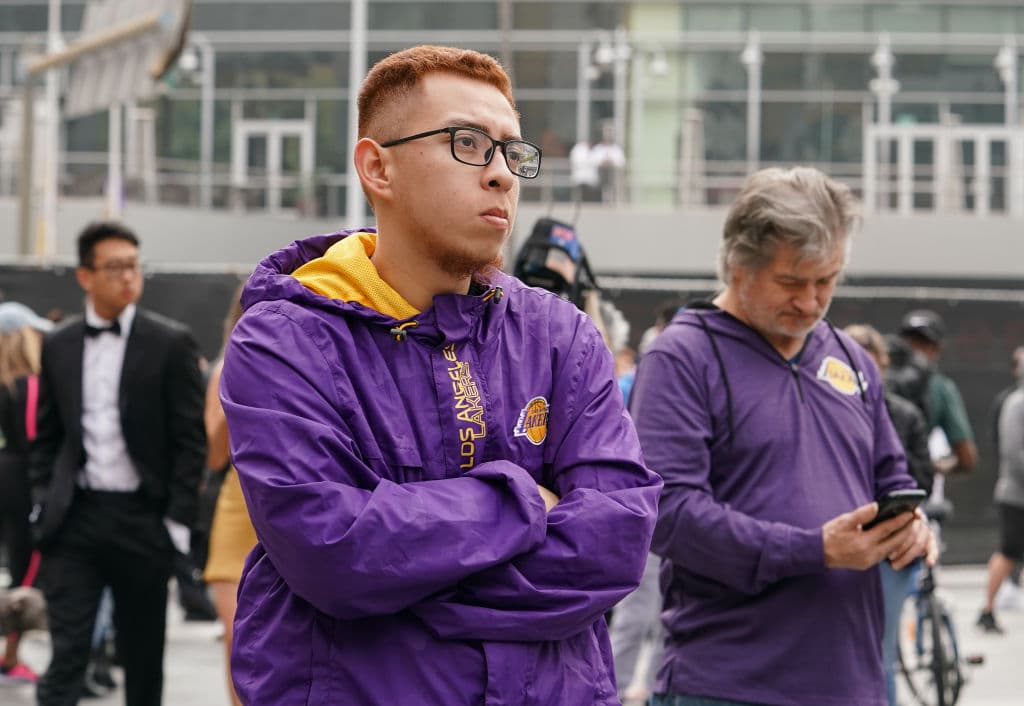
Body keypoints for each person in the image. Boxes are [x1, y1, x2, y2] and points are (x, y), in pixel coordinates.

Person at [219, 45, 661, 706]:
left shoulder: (561, 335)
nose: (502, 176)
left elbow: (615, 542)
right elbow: (331, 551)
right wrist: (519, 500)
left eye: (512, 152)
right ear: (378, 168)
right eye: (467, 143)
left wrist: (408, 598)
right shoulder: (284, 340)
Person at [630, 167, 935, 706]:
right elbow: (670, 515)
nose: (813, 302)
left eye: (829, 280)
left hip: (852, 683)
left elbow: (894, 476)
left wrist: (912, 526)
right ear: (737, 266)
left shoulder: (851, 358)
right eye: (793, 282)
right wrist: (814, 550)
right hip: (729, 686)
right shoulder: (682, 357)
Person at [29, 221, 206, 706]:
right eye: (115, 267)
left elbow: (191, 442)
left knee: (143, 662)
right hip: (76, 520)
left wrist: (175, 521)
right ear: (85, 276)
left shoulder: (171, 342)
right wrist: (44, 502)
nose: (128, 277)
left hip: (143, 522)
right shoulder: (59, 343)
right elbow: (47, 436)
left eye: (134, 265)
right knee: (67, 654)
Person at [845, 323, 935, 706]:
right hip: (836, 543)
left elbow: (918, 477)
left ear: (881, 364)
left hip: (888, 544)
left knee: (879, 655)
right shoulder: (821, 410)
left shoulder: (902, 414)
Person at [201, 283, 254, 706]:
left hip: (293, 497)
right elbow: (215, 457)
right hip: (238, 504)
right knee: (237, 635)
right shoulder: (223, 368)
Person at [0, 302, 52, 684]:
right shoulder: (27, 386)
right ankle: (9, 657)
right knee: (24, 570)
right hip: (20, 488)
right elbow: (36, 441)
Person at [898, 309, 978, 477]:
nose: (915, 350)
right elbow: (966, 458)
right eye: (910, 342)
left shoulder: (940, 388)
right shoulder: (876, 377)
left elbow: (966, 458)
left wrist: (926, 467)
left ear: (937, 349)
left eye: (922, 343)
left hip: (896, 488)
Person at [977, 361, 1024, 635]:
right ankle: (987, 610)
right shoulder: (1017, 404)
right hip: (1016, 496)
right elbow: (1014, 453)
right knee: (1008, 553)